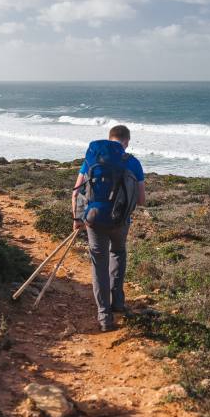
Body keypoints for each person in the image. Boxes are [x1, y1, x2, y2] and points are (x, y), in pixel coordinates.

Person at [71, 124, 145, 332]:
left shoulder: (92, 159)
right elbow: (141, 200)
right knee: (118, 253)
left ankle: (104, 317)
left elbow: (76, 193)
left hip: (93, 218)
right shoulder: (132, 162)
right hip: (120, 220)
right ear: (126, 141)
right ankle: (118, 303)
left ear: (109, 138)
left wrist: (77, 219)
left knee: (99, 263)